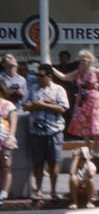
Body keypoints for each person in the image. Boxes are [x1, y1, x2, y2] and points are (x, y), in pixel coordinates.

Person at [53, 49, 99, 153]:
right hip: (82, 99)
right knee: (83, 122)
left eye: (84, 60)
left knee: (94, 121)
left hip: (93, 98)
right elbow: (64, 77)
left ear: (89, 61)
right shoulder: (78, 72)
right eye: (80, 60)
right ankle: (87, 146)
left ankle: (96, 146)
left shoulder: (95, 70)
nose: (81, 62)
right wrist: (52, 68)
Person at [24, 64, 69, 201]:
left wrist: (44, 105)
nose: (38, 78)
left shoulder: (58, 89)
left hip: (54, 130)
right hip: (37, 131)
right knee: (38, 162)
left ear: (50, 76)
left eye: (41, 75)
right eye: (37, 75)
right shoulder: (33, 89)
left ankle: (54, 191)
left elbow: (63, 108)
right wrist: (36, 105)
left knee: (53, 162)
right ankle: (38, 190)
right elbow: (25, 105)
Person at [0, 81, 18, 204]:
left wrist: (11, 137)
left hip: (4, 139)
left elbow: (13, 123)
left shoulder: (8, 105)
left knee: (6, 166)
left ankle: (4, 193)